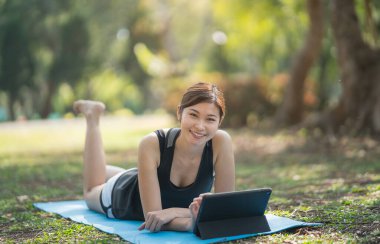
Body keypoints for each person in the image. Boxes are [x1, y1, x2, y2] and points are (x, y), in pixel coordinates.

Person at [73, 82, 235, 233]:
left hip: (143, 178)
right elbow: (154, 215)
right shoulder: (152, 143)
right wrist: (190, 223)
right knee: (90, 191)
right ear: (179, 113)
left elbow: (224, 208)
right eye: (193, 115)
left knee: (135, 174)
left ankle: (116, 171)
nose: (200, 126)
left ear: (219, 121)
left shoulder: (221, 142)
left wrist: (174, 212)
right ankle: (92, 116)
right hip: (124, 196)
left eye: (210, 119)